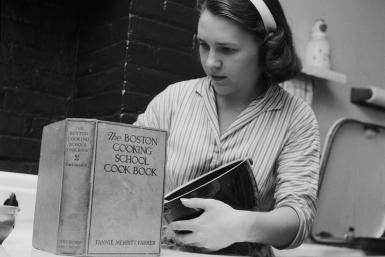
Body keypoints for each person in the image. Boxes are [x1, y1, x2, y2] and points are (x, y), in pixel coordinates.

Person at [134, 0, 320, 256]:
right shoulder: (172, 100)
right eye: (203, 45)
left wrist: (243, 226)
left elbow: (299, 218)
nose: (211, 62)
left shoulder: (296, 118)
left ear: (267, 47)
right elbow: (127, 178)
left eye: (228, 49)